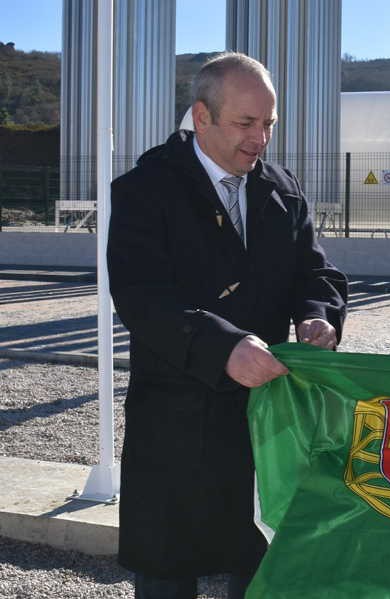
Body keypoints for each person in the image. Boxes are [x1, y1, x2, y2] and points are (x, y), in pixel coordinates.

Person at [107, 52, 348, 598]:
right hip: (177, 420)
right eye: (246, 123)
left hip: (266, 420)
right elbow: (143, 299)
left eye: (268, 124)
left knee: (261, 566)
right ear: (202, 116)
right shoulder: (145, 190)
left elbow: (318, 271)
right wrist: (225, 346)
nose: (260, 139)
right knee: (169, 570)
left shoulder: (281, 188)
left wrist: (317, 316)